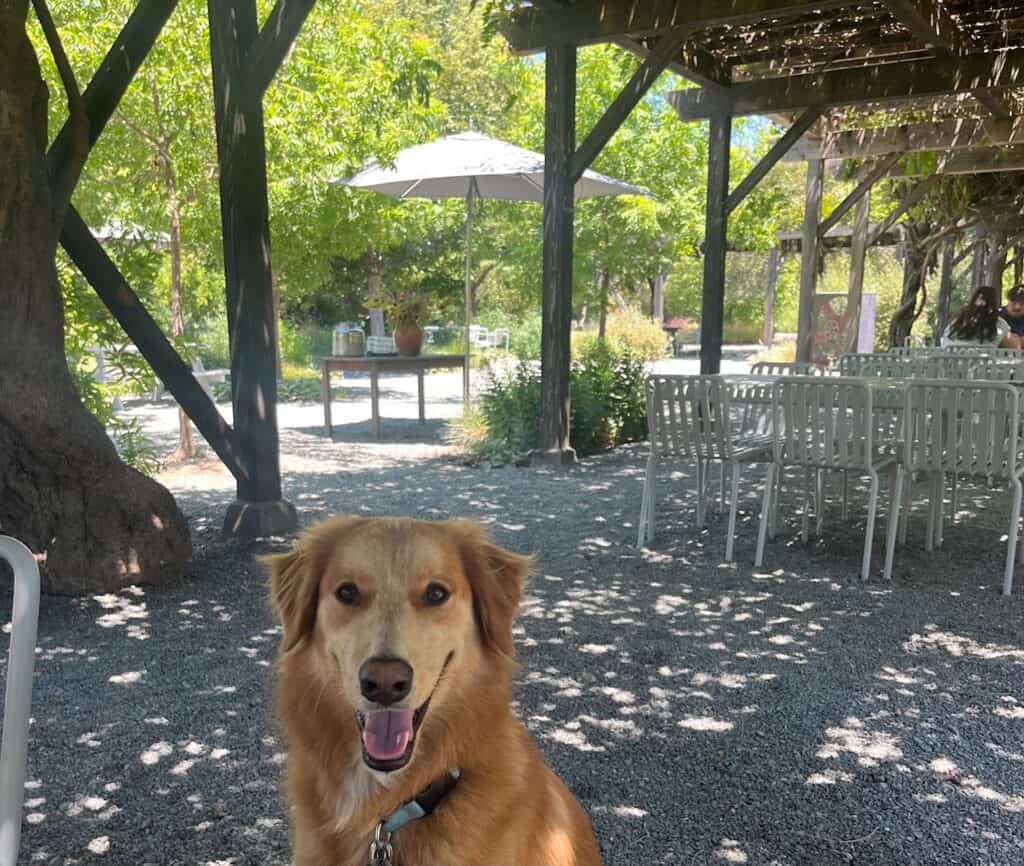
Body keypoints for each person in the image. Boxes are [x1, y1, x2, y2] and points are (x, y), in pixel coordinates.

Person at [942, 284, 1021, 348]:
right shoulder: (998, 323)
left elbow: (943, 342)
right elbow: (1016, 346)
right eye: (1013, 302)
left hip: (949, 366)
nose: (1017, 307)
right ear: (994, 304)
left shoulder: (955, 324)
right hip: (981, 367)